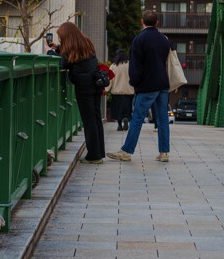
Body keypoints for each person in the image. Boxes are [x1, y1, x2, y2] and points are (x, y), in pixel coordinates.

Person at [108, 10, 171, 162]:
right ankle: (164, 153)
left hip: (147, 85)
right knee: (162, 119)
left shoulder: (139, 40)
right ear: (157, 22)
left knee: (137, 118)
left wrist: (135, 83)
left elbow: (135, 66)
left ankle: (127, 151)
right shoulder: (164, 40)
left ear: (143, 22)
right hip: (163, 83)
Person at [56, 22, 106, 164]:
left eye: (61, 37)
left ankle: (94, 156)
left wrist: (52, 52)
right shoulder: (86, 42)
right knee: (96, 117)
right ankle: (99, 152)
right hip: (95, 82)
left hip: (83, 86)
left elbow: (64, 64)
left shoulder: (71, 47)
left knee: (88, 120)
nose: (60, 40)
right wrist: (59, 49)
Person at [107, 49, 134, 130]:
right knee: (127, 108)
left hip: (116, 92)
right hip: (128, 92)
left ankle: (119, 125)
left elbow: (110, 79)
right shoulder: (130, 65)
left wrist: (106, 89)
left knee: (117, 109)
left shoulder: (113, 66)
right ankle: (126, 118)